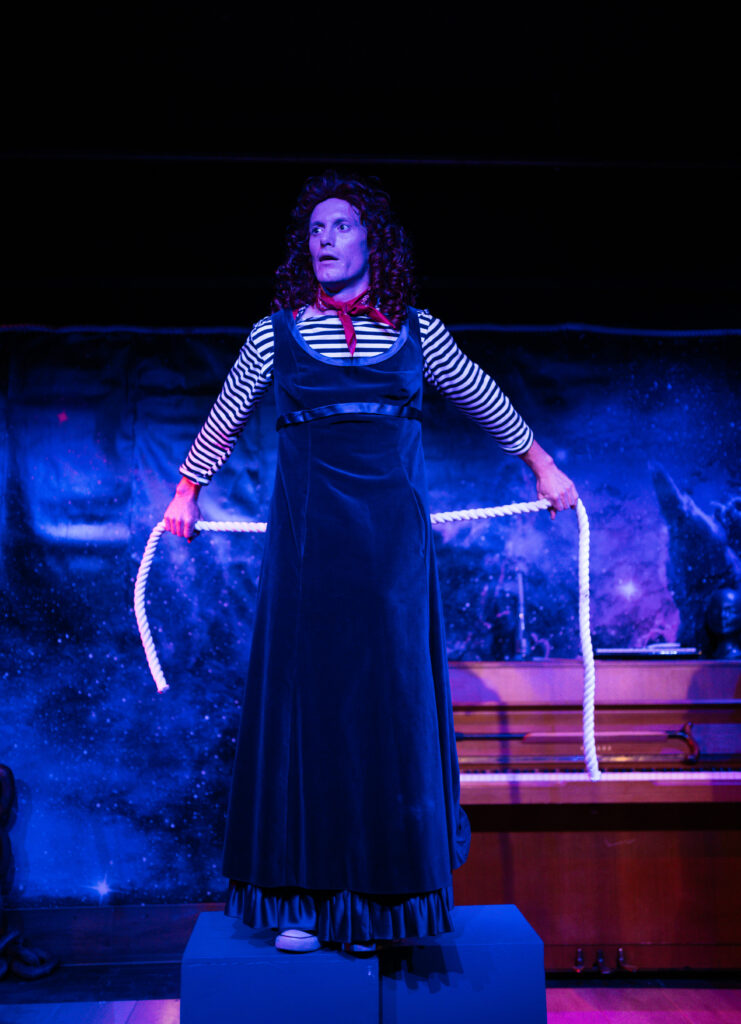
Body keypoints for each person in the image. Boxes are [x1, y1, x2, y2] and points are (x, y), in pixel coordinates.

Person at [163, 171, 578, 954]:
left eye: (341, 225)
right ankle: (303, 900)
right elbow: (228, 411)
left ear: (371, 241)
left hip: (391, 553)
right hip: (309, 550)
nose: (325, 238)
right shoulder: (275, 334)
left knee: (389, 711)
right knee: (307, 713)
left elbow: (482, 395)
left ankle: (380, 908)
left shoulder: (419, 332)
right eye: (314, 228)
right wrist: (187, 490)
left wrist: (543, 467)